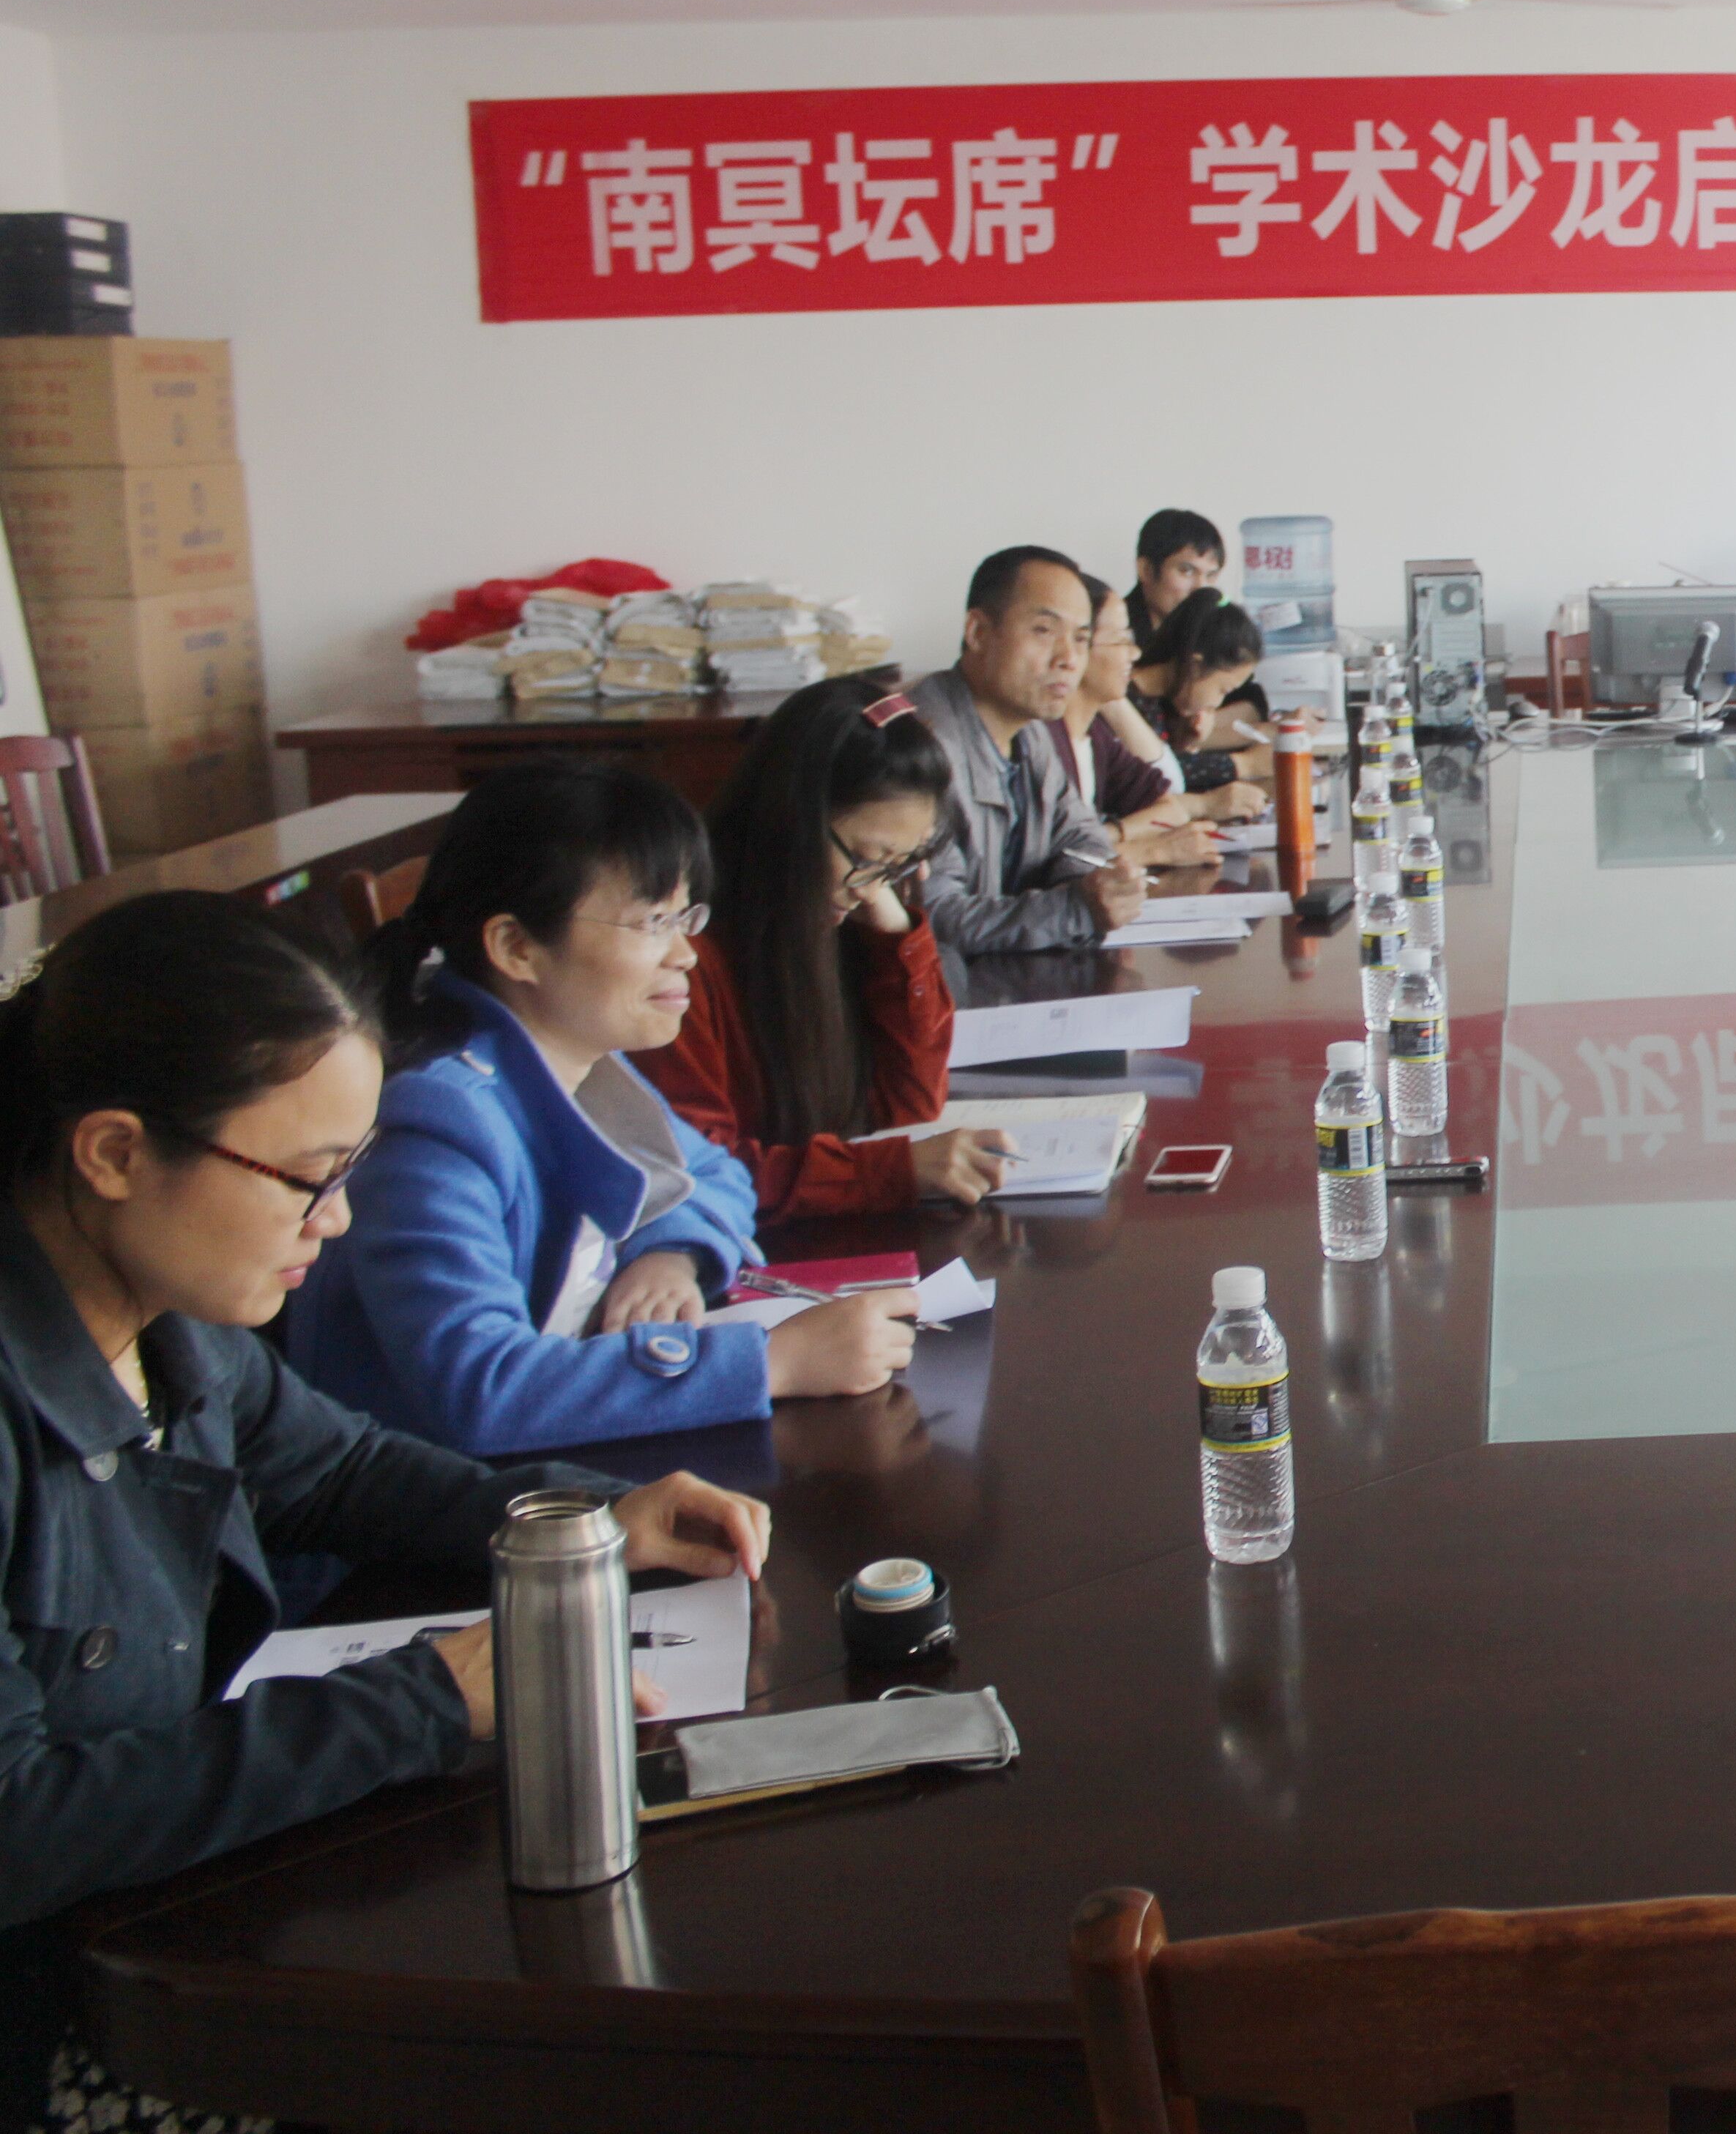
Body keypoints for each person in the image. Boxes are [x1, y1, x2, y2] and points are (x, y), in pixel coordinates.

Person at [0, 893, 770, 2133]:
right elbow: (20, 1824)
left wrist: (589, 1520)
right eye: (309, 1180)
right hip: (62, 2029)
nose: (340, 1220)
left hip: (172, 1930)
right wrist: (423, 1699)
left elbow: (338, 1472)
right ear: (115, 1153)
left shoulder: (166, 1315)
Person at [287, 765, 922, 1452]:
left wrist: (669, 1254)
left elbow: (717, 1174)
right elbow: (482, 1386)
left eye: (686, 917)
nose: (686, 954)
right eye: (652, 922)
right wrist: (774, 1363)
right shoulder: (433, 1126)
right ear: (517, 948)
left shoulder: (579, 1061)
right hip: (432, 1503)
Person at [634, 680, 1014, 1221]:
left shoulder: (844, 924)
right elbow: (696, 1174)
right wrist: (888, 1170)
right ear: (791, 820)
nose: (870, 889)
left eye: (898, 866)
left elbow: (912, 1110)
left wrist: (895, 935)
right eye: (868, 859)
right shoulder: (683, 957)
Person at [906, 546, 1148, 956]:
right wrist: (1073, 909)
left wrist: (1094, 888)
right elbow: (934, 920)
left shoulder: (1030, 731)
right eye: (1044, 631)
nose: (1069, 659)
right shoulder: (920, 749)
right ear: (978, 632)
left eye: (1081, 639)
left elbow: (1079, 835)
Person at [1060, 572, 1237, 869]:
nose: (1135, 653)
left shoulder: (1097, 737)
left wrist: (1109, 836)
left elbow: (1170, 806)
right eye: (1121, 640)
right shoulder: (1042, 743)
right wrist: (1148, 850)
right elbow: (1053, 861)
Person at [1128, 590, 1278, 798]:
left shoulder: (1158, 702)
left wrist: (1189, 740)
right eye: (1223, 690)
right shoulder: (1124, 701)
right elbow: (1162, 774)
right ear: (1194, 666)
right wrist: (1247, 764)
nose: (1217, 703)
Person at [1125, 507, 1227, 649]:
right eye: (1187, 571)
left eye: (1210, 575)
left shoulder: (1211, 637)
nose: (1201, 588)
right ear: (1146, 570)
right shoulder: (1113, 635)